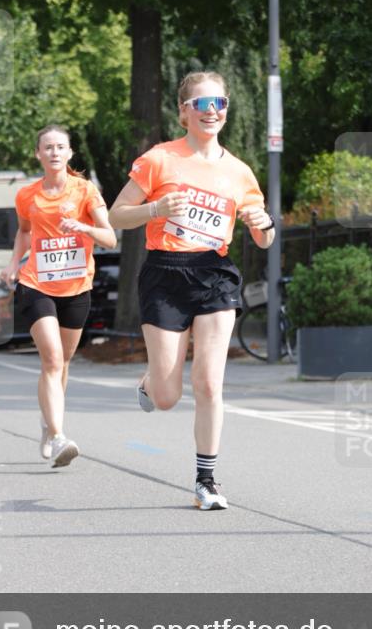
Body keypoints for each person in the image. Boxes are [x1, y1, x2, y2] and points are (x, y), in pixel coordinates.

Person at [109, 72, 275, 510]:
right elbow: (116, 215)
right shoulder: (159, 160)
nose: (212, 111)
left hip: (214, 274)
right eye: (202, 104)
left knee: (208, 382)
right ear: (184, 111)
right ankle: (152, 381)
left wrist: (265, 225)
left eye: (219, 103)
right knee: (167, 398)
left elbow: (264, 237)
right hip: (165, 273)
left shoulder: (239, 172)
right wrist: (155, 208)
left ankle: (207, 480)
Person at [0, 125, 117, 468]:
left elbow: (109, 237)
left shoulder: (85, 191)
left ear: (69, 153)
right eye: (48, 147)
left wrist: (84, 227)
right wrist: (13, 263)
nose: (54, 152)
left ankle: (48, 423)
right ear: (38, 154)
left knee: (63, 363)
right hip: (37, 284)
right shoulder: (27, 195)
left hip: (76, 288)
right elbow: (24, 232)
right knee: (51, 360)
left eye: (60, 147)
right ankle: (59, 435)